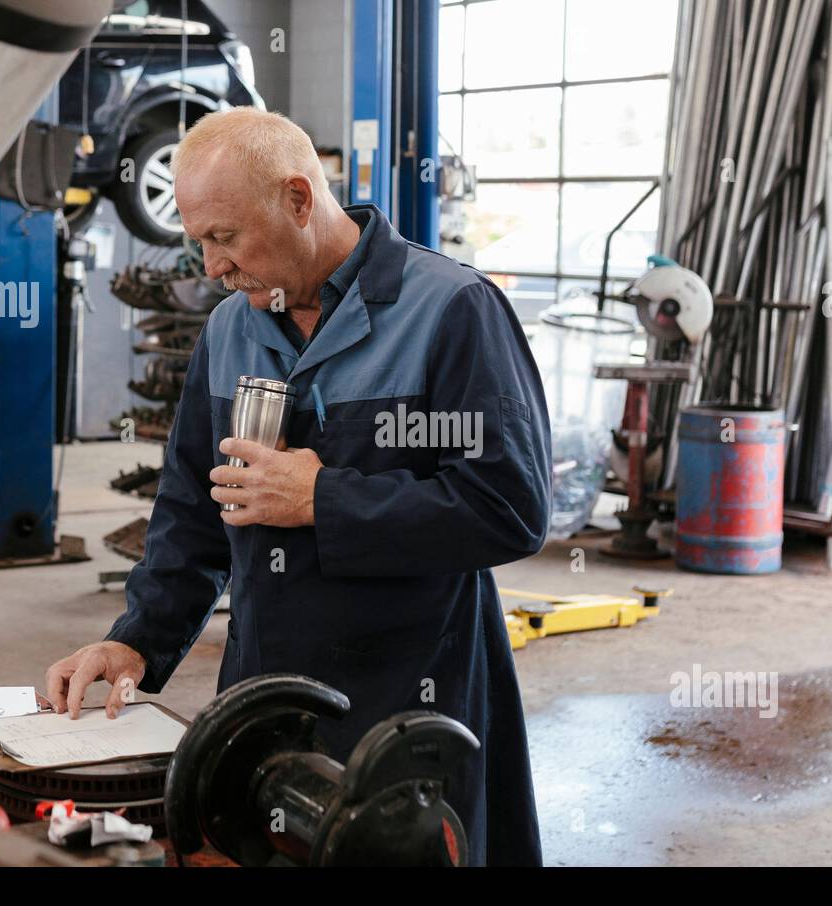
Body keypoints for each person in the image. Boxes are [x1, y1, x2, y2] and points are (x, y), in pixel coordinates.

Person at [45, 107, 552, 865]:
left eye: (225, 237)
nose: (212, 267)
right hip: (261, 702)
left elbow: (509, 509)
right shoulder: (229, 330)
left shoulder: (450, 312)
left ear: (298, 200)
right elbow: (191, 508)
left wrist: (326, 500)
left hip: (408, 703)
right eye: (199, 243)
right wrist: (136, 644)